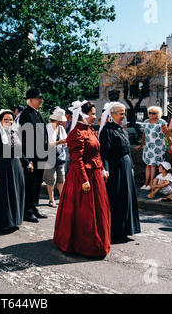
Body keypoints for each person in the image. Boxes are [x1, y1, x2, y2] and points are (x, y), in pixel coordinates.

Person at [53, 101, 111, 258]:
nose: (94, 116)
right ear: (83, 115)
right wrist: (84, 180)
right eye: (92, 113)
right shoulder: (76, 134)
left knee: (97, 209)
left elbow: (97, 152)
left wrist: (103, 169)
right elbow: (77, 160)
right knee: (85, 211)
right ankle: (83, 244)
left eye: (94, 113)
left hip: (95, 174)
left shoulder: (90, 130)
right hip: (82, 176)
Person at [0, 110, 33, 231]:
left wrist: (27, 162)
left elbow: (19, 151)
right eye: (6, 119)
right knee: (4, 197)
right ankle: (3, 223)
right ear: (0, 121)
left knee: (15, 195)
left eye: (11, 119)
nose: (8, 122)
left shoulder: (14, 133)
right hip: (2, 169)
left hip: (16, 168)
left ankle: (13, 220)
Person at [99, 102, 141, 242]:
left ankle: (127, 228)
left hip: (126, 166)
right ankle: (116, 230)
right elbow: (104, 153)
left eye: (124, 113)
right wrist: (105, 170)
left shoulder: (122, 129)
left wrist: (132, 167)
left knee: (127, 197)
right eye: (121, 113)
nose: (123, 116)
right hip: (115, 168)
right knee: (117, 198)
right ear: (112, 115)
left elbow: (127, 150)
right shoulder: (107, 131)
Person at [18, 88, 49, 222]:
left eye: (41, 98)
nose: (41, 101)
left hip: (40, 156)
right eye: (38, 98)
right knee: (30, 184)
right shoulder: (25, 115)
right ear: (30, 100)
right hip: (31, 156)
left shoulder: (37, 114)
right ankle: (27, 211)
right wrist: (27, 160)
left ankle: (34, 207)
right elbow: (24, 139)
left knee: (37, 184)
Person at [136, 106, 171, 191]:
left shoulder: (161, 122)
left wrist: (170, 145)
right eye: (150, 113)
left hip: (157, 147)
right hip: (148, 147)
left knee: (153, 165)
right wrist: (141, 145)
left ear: (158, 114)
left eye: (153, 113)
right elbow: (144, 135)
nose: (151, 115)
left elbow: (167, 134)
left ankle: (151, 184)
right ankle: (146, 183)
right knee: (148, 165)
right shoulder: (146, 122)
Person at [43, 107, 67, 208]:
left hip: (60, 156)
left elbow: (65, 141)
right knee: (51, 178)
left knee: (61, 177)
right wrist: (59, 142)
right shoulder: (47, 128)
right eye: (60, 120)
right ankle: (51, 199)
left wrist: (63, 143)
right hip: (49, 156)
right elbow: (45, 144)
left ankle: (62, 199)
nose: (62, 122)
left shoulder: (61, 128)